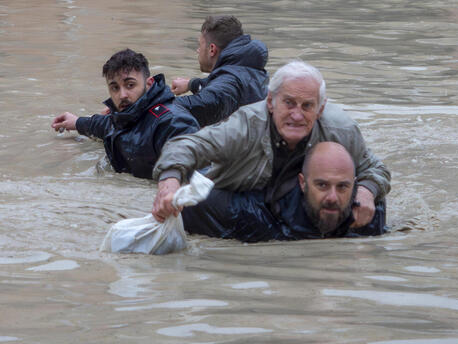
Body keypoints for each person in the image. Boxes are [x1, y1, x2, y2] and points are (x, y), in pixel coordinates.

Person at [151, 60, 390, 233]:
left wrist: (367, 191)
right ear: (270, 102)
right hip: (242, 195)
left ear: (321, 109)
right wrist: (169, 183)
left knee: (374, 209)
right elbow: (186, 146)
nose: (297, 115)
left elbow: (375, 169)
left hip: (295, 200)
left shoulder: (342, 131)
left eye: (307, 106)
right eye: (289, 103)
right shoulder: (245, 126)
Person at [181, 142, 387, 242]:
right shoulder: (253, 213)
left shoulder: (367, 214)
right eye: (322, 185)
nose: (333, 197)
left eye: (342, 187)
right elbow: (191, 200)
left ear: (354, 184)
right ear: (303, 183)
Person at [51, 48, 200, 179]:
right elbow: (105, 125)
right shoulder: (125, 116)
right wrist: (77, 122)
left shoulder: (172, 122)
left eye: (130, 85)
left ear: (148, 84)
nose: (122, 95)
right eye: (115, 88)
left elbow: (197, 171)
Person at [171, 15, 269, 127]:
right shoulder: (249, 69)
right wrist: (191, 84)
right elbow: (221, 87)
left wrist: (156, 103)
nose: (198, 50)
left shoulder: (229, 82)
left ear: (212, 49)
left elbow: (208, 102)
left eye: (200, 45)